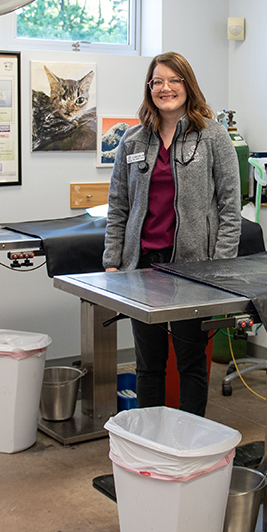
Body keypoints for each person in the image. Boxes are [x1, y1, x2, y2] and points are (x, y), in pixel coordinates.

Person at [103, 52, 242, 416]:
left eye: (173, 80)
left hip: (193, 270)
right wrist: (113, 263)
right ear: (149, 89)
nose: (165, 88)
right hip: (142, 270)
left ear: (187, 85)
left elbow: (230, 207)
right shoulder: (132, 141)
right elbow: (118, 207)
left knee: (191, 365)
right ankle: (151, 440)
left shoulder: (213, 136)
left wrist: (219, 269)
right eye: (157, 82)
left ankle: (192, 440)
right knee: (148, 364)